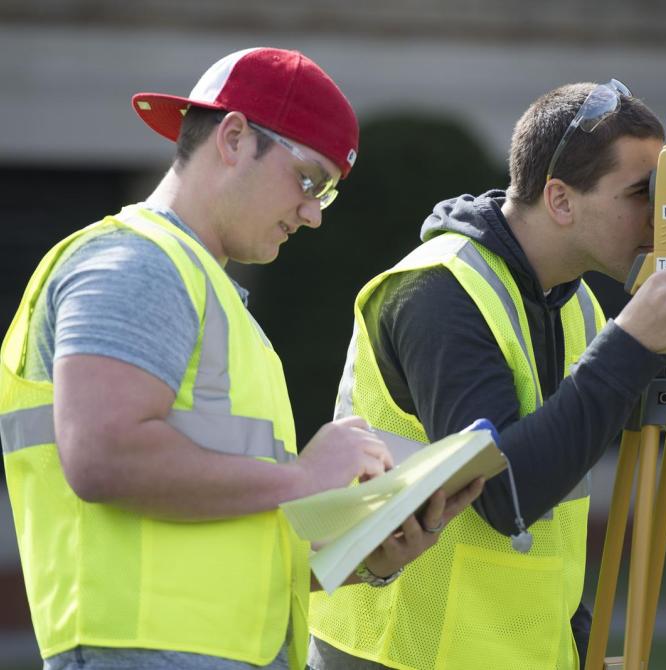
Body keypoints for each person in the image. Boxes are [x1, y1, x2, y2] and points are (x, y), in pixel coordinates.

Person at [0, 47, 483, 670]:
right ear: (233, 137)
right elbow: (102, 456)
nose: (312, 215)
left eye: (327, 195)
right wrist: (304, 479)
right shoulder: (134, 263)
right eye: (311, 180)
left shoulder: (205, 291)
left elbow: (218, 539)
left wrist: (360, 555)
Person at [307, 80, 666, 669]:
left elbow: (556, 508)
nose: (660, 218)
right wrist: (632, 343)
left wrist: (577, 642)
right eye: (641, 193)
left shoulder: (579, 305)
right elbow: (505, 497)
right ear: (559, 199)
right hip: (400, 653)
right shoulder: (439, 291)